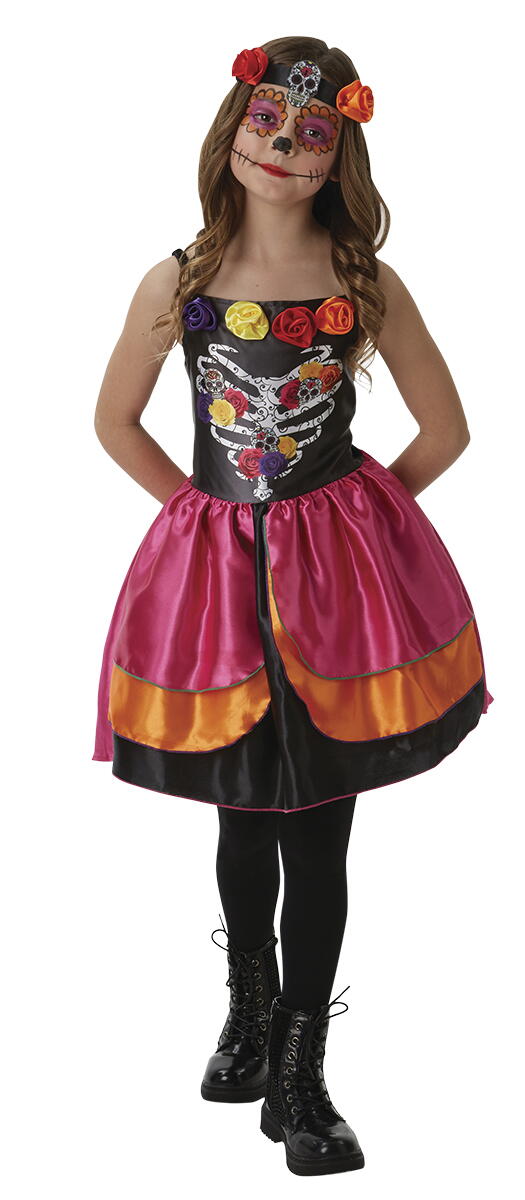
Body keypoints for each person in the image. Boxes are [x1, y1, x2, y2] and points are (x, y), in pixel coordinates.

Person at [91, 36, 494, 1177]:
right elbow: (114, 420)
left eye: (312, 133)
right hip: (220, 589)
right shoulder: (178, 282)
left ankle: (303, 1072)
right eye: (266, 122)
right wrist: (202, 521)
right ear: (231, 135)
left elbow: (446, 431)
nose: (282, 146)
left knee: (319, 828)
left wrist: (359, 525)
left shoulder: (362, 283)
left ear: (338, 155)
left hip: (333, 600)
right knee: (240, 813)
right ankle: (250, 1009)